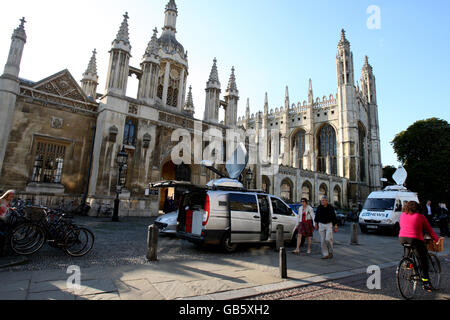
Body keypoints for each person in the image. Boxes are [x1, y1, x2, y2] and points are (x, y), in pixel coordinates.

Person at [399, 201, 440, 292]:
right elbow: (429, 229)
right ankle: (426, 282)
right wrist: (436, 239)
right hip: (415, 239)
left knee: (408, 248)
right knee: (423, 260)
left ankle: (407, 261)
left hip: (402, 238)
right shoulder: (420, 216)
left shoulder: (402, 215)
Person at [0, 190, 16, 257]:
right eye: (11, 196)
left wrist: (11, 208)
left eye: (12, 197)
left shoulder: (8, 201)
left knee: (3, 237)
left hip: (4, 220)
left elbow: (7, 207)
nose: (11, 198)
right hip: (0, 220)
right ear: (7, 195)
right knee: (1, 237)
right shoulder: (0, 200)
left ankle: (2, 252)